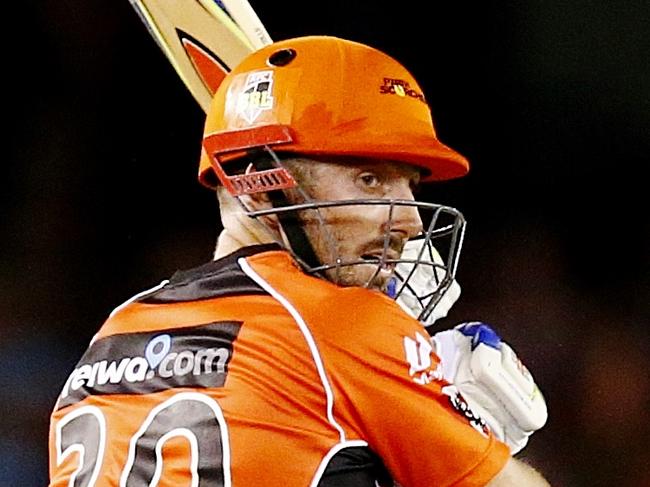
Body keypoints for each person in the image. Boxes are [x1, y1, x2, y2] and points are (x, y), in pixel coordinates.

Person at [48, 35, 548, 486]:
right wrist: (476, 438)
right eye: (369, 180)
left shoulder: (115, 333)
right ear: (260, 191)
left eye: (410, 184)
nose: (411, 223)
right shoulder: (343, 323)